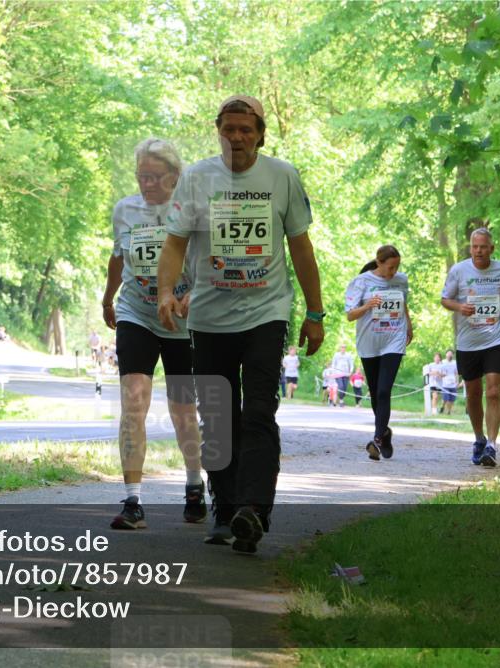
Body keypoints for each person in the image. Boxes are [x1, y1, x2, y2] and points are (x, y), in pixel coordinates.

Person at [157, 94, 325, 554]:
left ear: (260, 134)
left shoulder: (282, 176)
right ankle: (225, 508)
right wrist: (168, 291)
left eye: (245, 129)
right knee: (218, 419)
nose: (236, 137)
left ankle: (253, 509)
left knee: (257, 412)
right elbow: (174, 244)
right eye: (228, 128)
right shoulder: (197, 178)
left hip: (265, 312)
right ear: (218, 131)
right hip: (209, 316)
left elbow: (301, 248)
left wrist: (314, 313)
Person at [101, 138, 204, 530]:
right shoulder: (125, 210)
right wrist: (109, 298)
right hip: (137, 314)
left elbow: (210, 262)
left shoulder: (192, 210)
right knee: (134, 401)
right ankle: (132, 502)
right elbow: (118, 257)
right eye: (140, 176)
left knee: (182, 411)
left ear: (175, 177)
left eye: (154, 177)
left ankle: (195, 486)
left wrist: (194, 294)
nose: (146, 184)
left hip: (181, 322)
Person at [441, 227, 500, 466]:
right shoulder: (459, 270)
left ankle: (492, 446)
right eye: (475, 247)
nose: (478, 251)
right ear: (470, 248)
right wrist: (459, 307)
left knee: (494, 391)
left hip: (497, 338)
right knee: (473, 394)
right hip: (468, 341)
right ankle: (479, 438)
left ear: (491, 249)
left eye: (483, 247)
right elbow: (445, 299)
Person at [345, 245, 413, 460]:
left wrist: (409, 326)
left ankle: (376, 439)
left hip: (394, 338)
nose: (393, 272)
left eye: (396, 267)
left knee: (384, 390)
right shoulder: (362, 282)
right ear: (379, 262)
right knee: (375, 392)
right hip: (370, 341)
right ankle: (384, 432)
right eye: (390, 267)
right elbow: (350, 315)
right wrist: (367, 305)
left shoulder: (401, 280)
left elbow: (404, 305)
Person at [439, 349, 460, 415]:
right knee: (446, 399)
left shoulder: (455, 362)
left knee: (452, 399)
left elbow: (456, 373)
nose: (450, 355)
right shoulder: (442, 362)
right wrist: (442, 375)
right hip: (445, 384)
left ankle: (448, 411)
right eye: (448, 353)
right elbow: (440, 373)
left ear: (453, 355)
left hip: (453, 384)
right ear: (446, 354)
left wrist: (457, 382)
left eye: (451, 354)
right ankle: (445, 409)